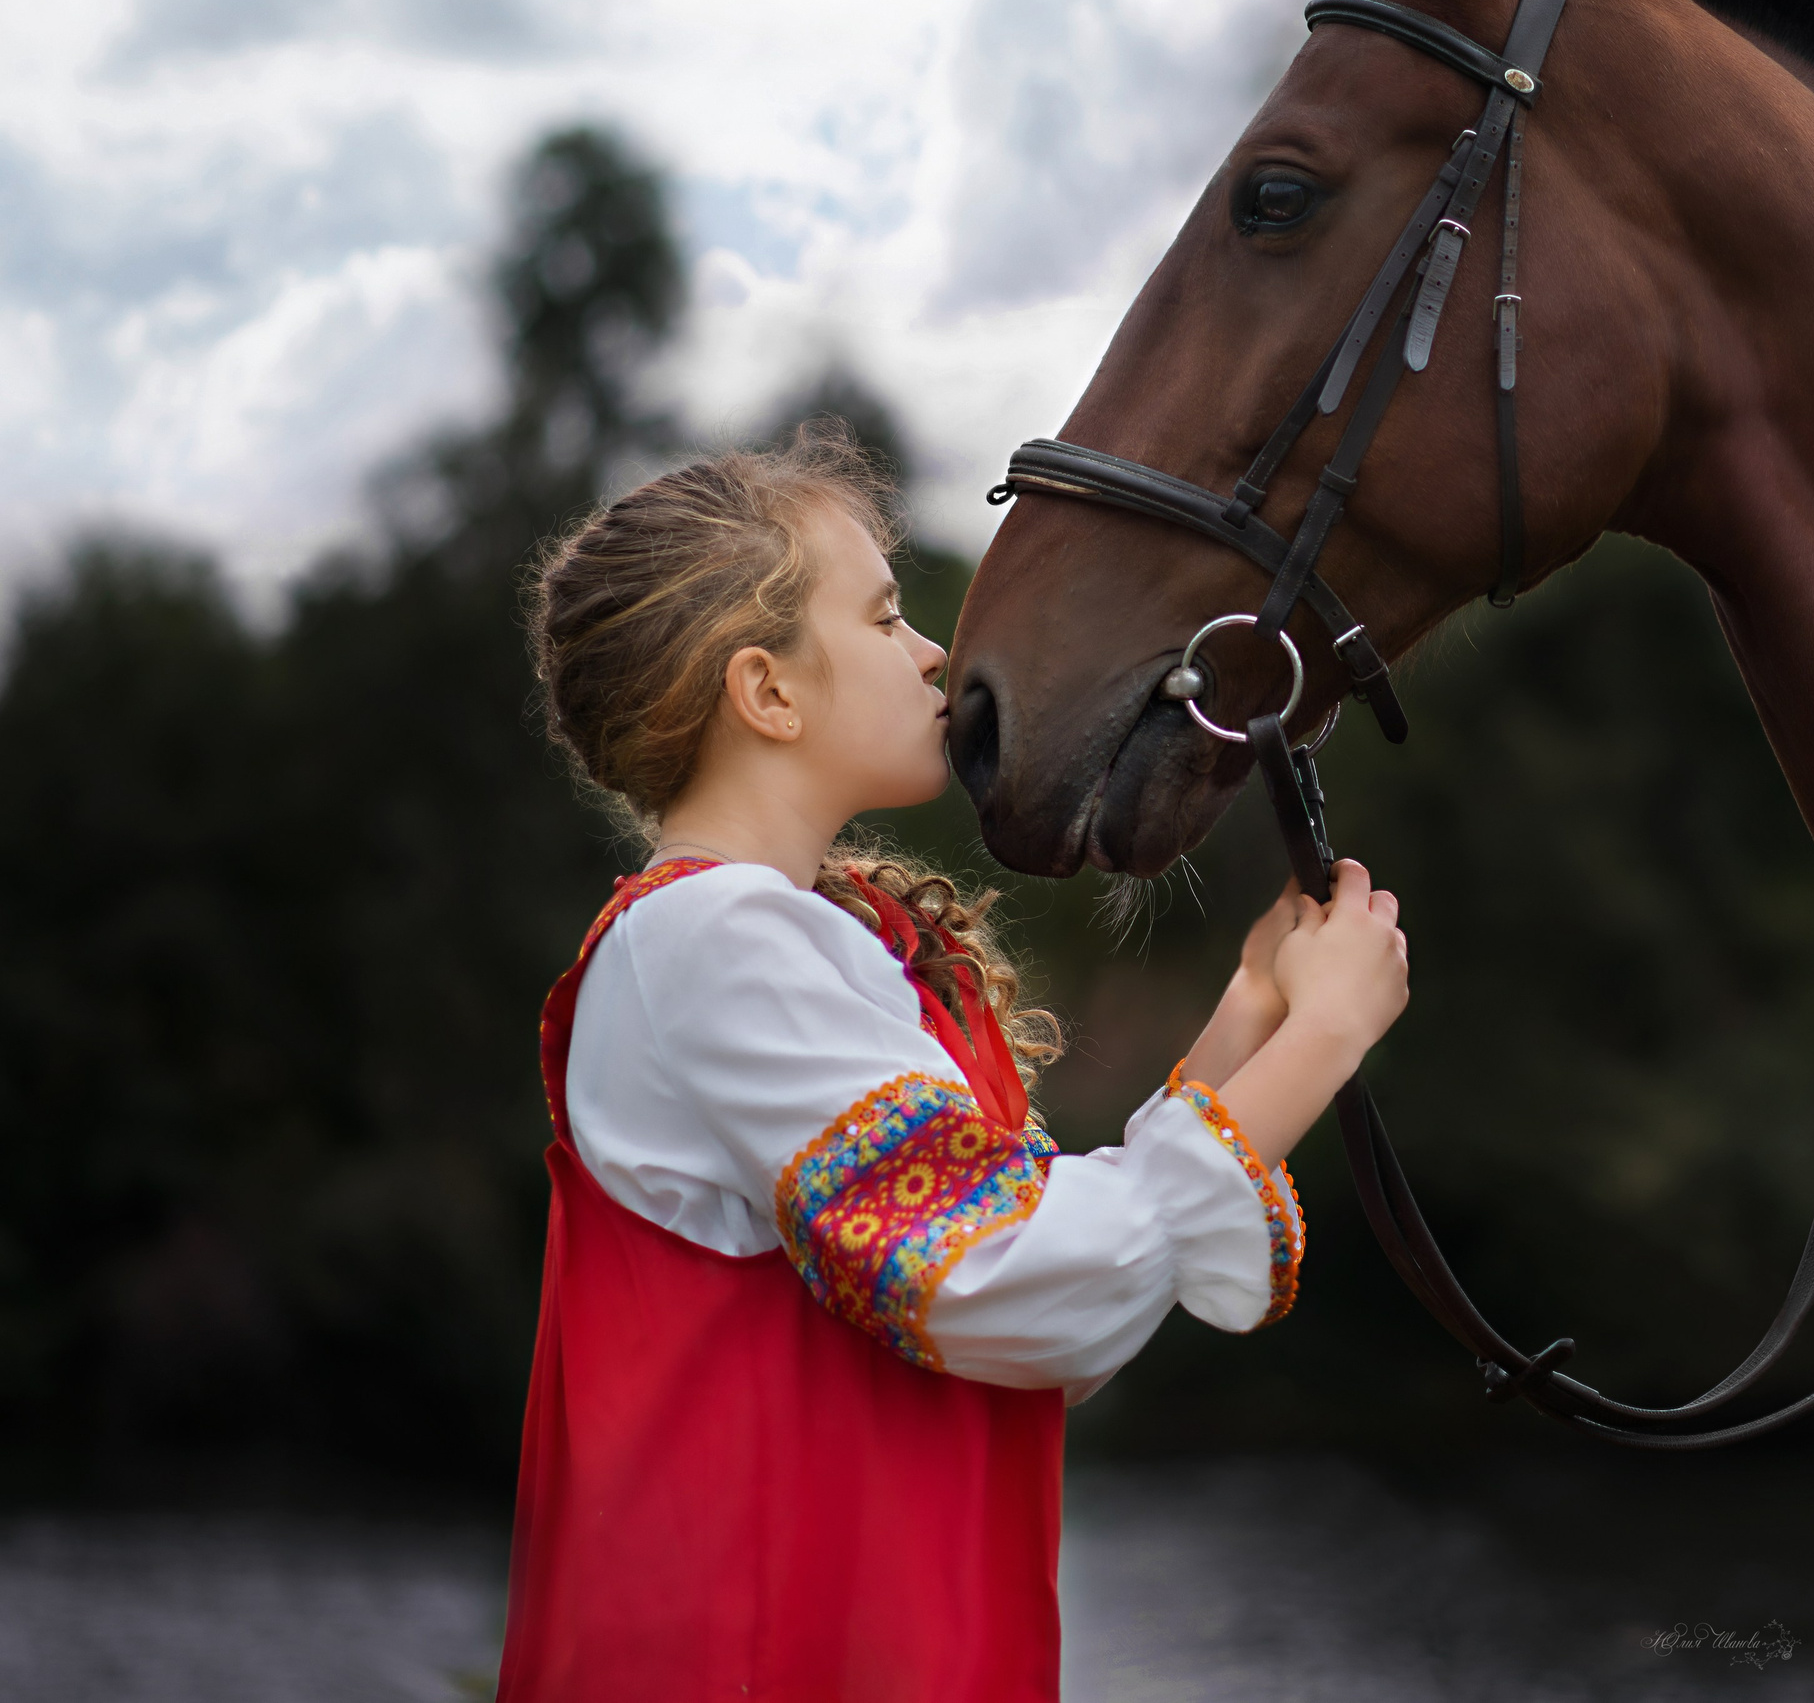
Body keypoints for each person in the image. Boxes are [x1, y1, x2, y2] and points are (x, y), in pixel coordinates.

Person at [496, 424, 1408, 1702]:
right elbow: (1012, 1277)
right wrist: (1322, 1038)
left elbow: (1040, 1302)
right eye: (882, 618)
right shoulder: (714, 937)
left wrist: (1251, 1011)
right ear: (767, 692)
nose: (932, 651)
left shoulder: (796, 942)